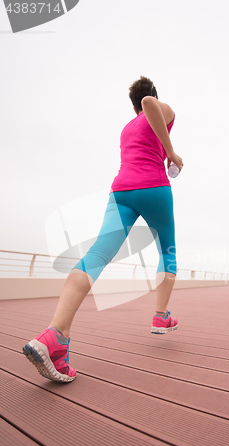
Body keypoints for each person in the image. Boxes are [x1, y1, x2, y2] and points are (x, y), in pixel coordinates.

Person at [22, 76, 183, 383]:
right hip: (154, 188)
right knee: (168, 249)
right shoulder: (159, 105)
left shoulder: (126, 129)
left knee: (97, 254)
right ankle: (161, 316)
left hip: (120, 192)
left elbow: (143, 112)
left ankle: (55, 336)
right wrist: (172, 153)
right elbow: (150, 105)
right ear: (149, 97)